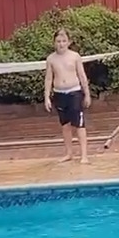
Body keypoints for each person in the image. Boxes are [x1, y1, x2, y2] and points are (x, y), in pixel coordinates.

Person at [44, 28, 92, 164]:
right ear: (54, 42)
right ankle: (69, 153)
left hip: (74, 92)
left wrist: (87, 94)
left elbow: (82, 76)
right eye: (58, 41)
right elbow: (48, 79)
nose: (61, 44)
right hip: (59, 94)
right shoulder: (51, 59)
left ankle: (84, 155)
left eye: (64, 41)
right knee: (65, 125)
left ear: (69, 42)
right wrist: (47, 97)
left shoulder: (75, 56)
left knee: (79, 124)